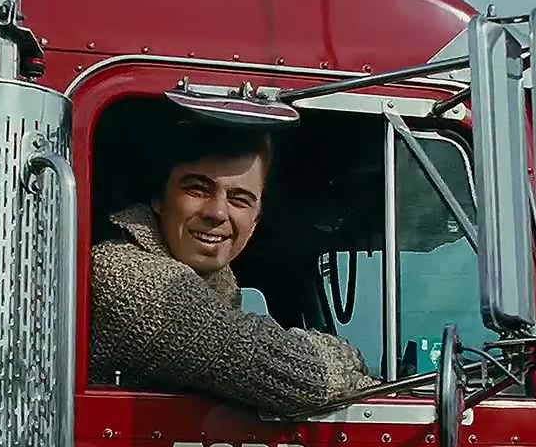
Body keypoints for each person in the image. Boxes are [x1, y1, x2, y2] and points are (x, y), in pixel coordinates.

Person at [88, 119, 380, 417]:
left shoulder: (221, 289)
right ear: (158, 199)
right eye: (198, 189)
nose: (217, 213)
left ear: (255, 221)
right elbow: (302, 377)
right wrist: (350, 358)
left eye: (239, 199)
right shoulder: (128, 278)